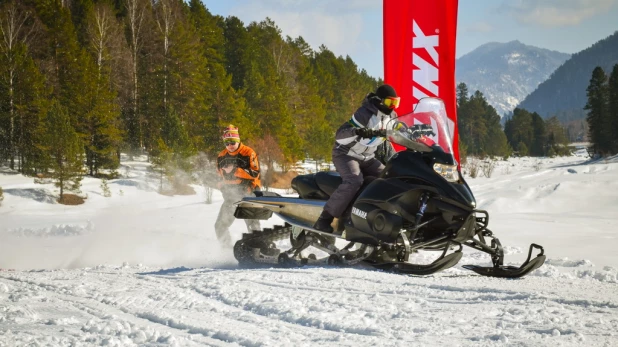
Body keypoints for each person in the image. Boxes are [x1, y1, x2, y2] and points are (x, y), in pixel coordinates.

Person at [313, 84, 401, 233]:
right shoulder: (364, 113)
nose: (392, 106)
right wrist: (357, 131)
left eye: (396, 102)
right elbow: (341, 134)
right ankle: (325, 218)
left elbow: (400, 130)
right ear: (380, 101)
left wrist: (417, 130)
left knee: (390, 178)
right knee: (354, 180)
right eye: (389, 102)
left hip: (367, 158)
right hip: (346, 154)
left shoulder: (391, 117)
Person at [215, 125, 261, 247]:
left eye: (233, 142)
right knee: (220, 225)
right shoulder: (221, 156)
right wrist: (220, 183)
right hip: (230, 196)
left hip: (248, 195)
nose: (230, 145)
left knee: (253, 225)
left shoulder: (248, 152)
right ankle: (227, 250)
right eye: (227, 143)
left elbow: (255, 173)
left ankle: (259, 249)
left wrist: (236, 171)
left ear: (238, 140)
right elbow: (219, 175)